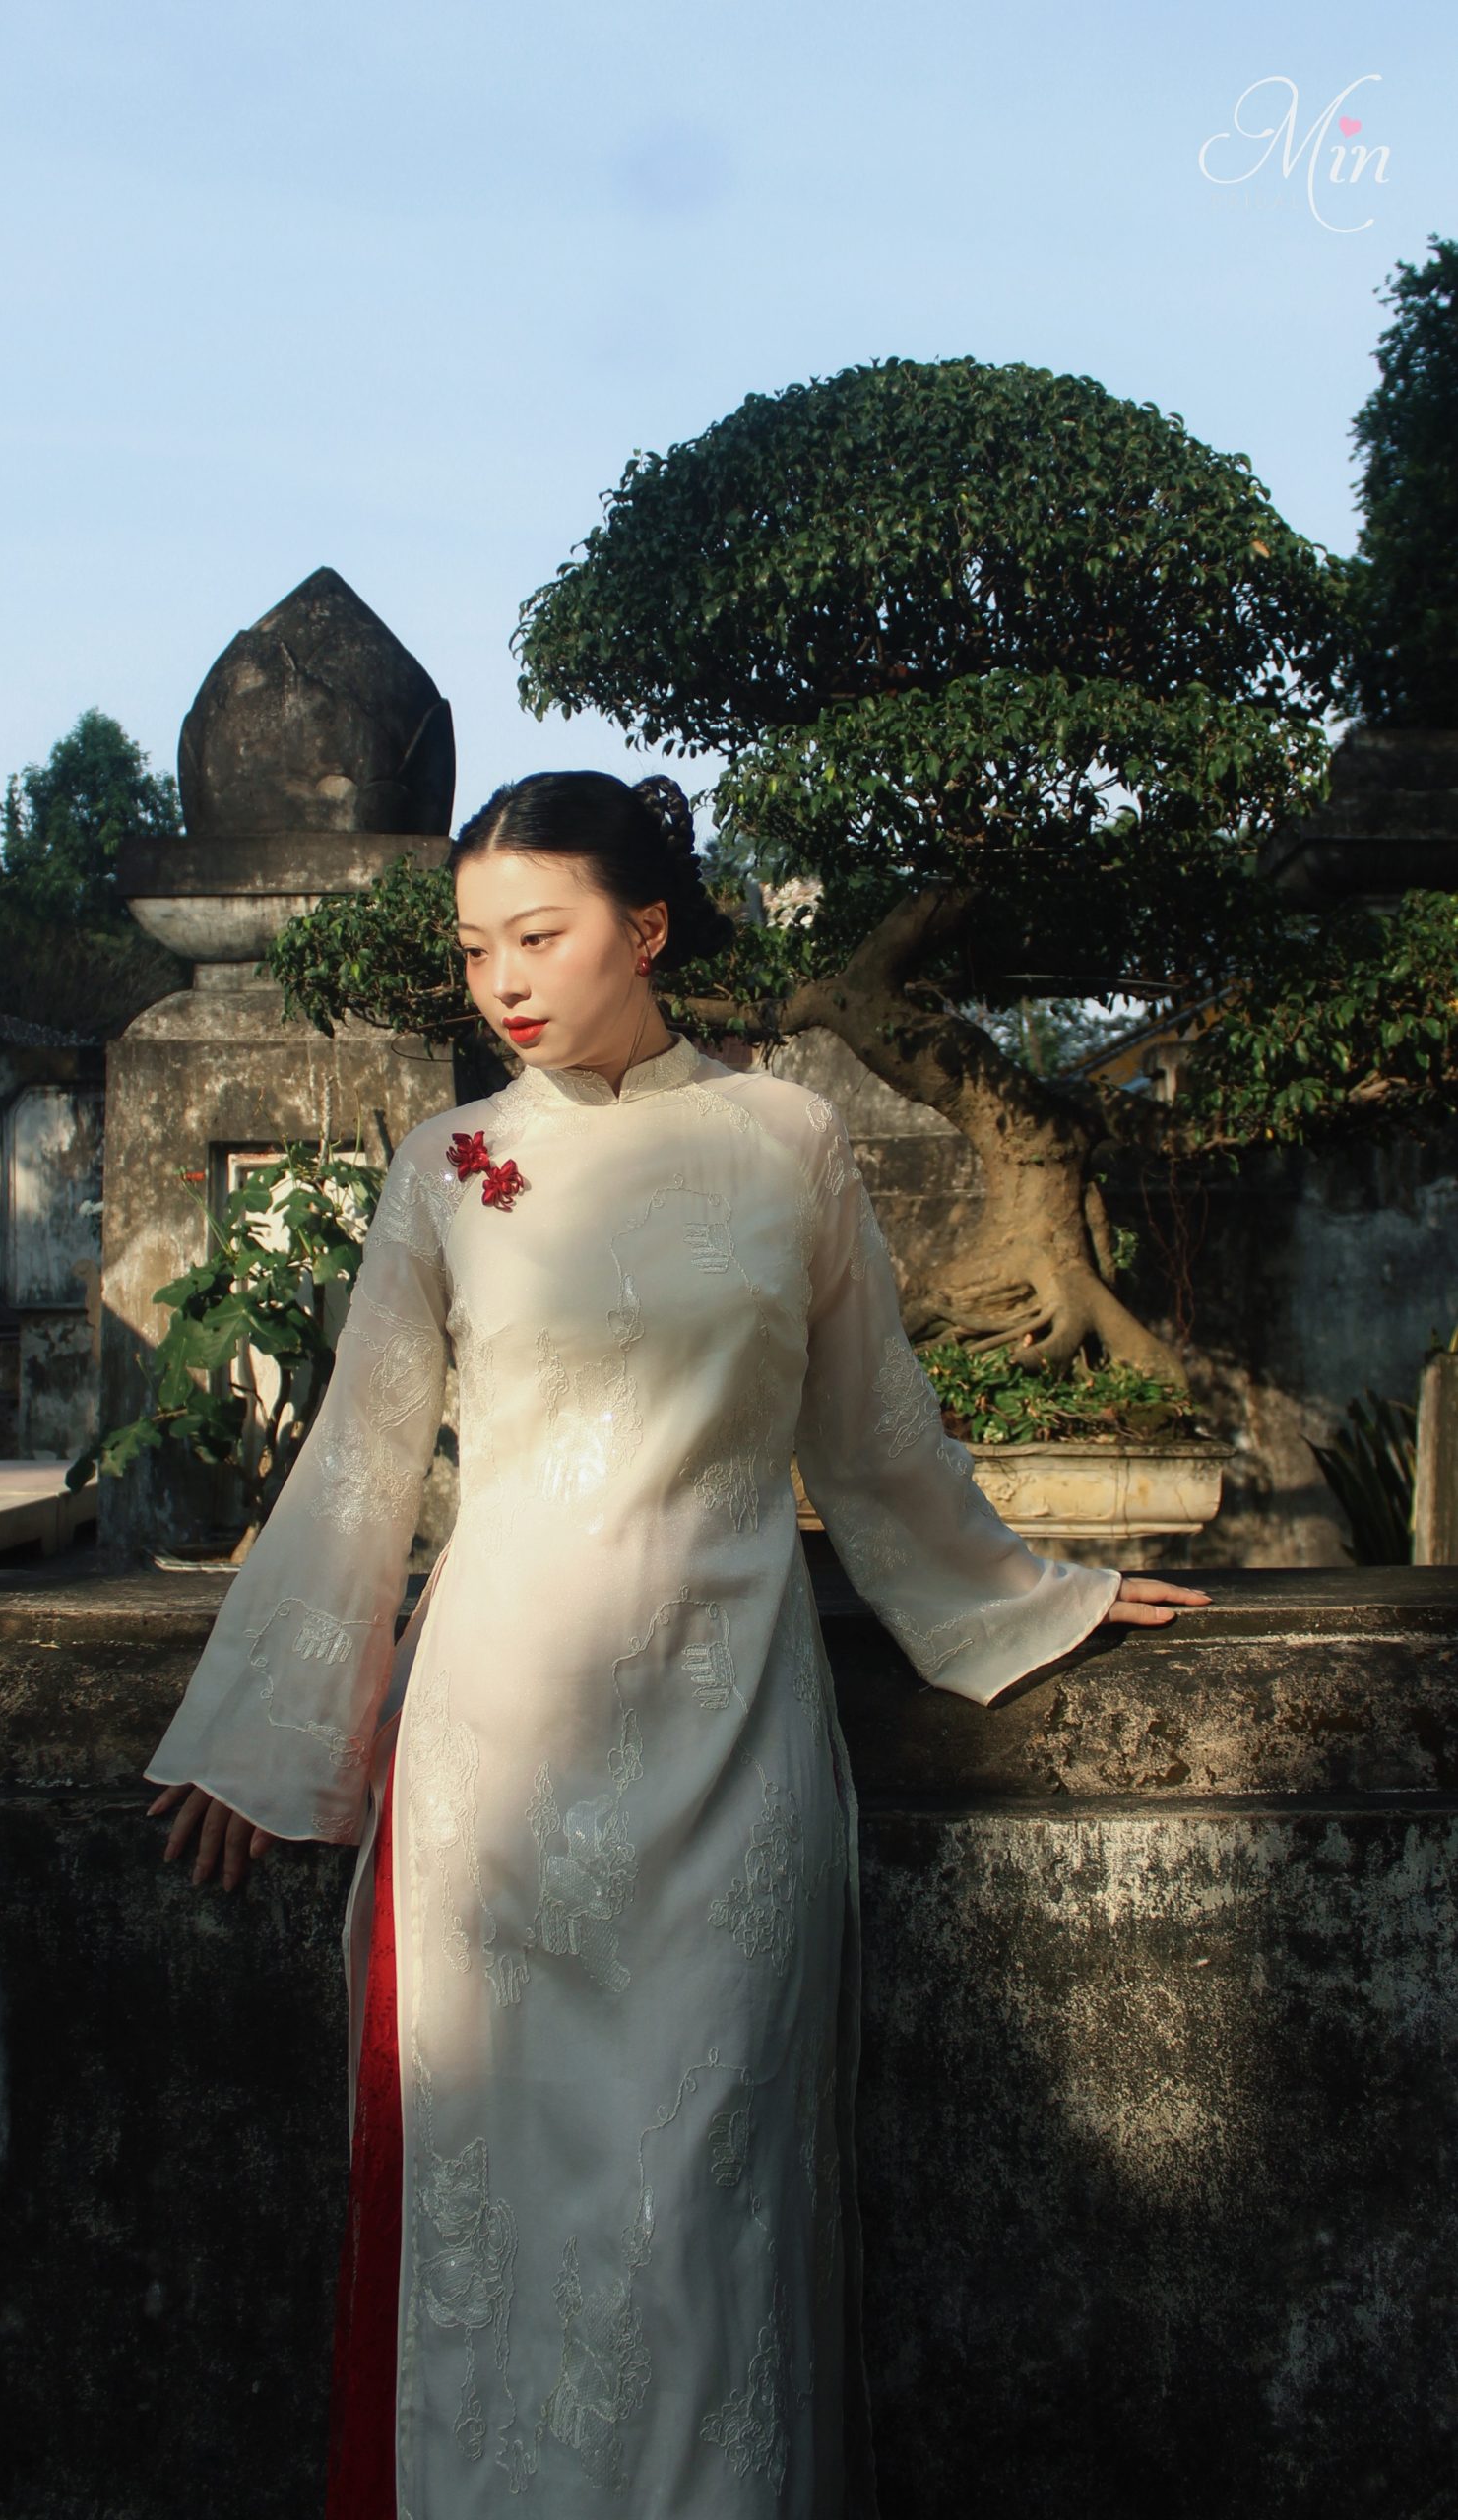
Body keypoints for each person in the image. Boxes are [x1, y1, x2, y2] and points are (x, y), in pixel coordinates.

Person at [143, 770, 1208, 2519]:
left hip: (731, 1754)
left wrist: (1037, 1593)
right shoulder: (447, 1170)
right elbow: (359, 1464)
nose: (501, 980)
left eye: (538, 935)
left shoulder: (788, 1138)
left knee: (709, 2209)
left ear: (645, 928)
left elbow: (872, 1434)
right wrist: (260, 1737)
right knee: (500, 2208)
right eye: (475, 948)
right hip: (494, 1755)